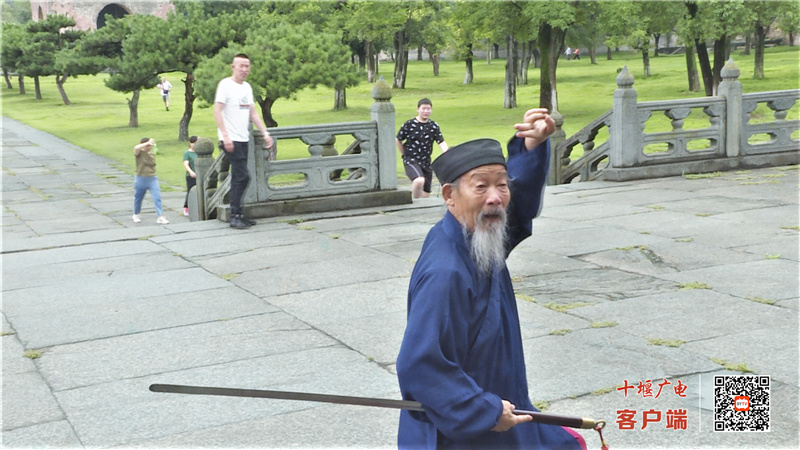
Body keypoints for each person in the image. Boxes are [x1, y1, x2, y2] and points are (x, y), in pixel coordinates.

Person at [395, 108, 586, 450]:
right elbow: (420, 364)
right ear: (449, 196)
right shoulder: (447, 272)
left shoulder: (476, 234)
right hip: (467, 428)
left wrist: (530, 148)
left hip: (503, 408)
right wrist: (481, 410)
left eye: (502, 184)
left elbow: (516, 208)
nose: (495, 197)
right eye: (481, 186)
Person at [214, 53, 273, 229]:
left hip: (243, 138)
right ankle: (234, 215)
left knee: (238, 177)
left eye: (247, 66)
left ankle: (238, 213)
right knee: (243, 176)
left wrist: (265, 133)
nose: (245, 69)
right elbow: (217, 111)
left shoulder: (247, 87)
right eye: (241, 66)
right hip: (230, 138)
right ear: (233, 67)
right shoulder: (225, 85)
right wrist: (225, 136)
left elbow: (252, 112)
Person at [396, 98, 449, 199]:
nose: (426, 111)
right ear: (418, 109)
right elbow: (398, 139)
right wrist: (404, 154)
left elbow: (440, 141)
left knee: (426, 195)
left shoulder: (433, 126)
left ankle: (420, 206)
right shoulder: (409, 124)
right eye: (423, 109)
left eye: (428, 109)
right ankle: (414, 204)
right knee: (419, 180)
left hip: (426, 161)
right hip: (411, 159)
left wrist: (448, 153)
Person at [132, 137, 169, 225]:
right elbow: (136, 148)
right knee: (138, 197)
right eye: (147, 146)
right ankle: (136, 214)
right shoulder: (139, 153)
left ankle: (160, 216)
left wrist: (150, 144)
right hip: (141, 178)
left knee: (157, 197)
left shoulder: (151, 154)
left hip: (152, 178)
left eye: (149, 146)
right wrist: (147, 143)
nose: (148, 147)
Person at [182, 135, 198, 216]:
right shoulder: (187, 153)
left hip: (199, 175)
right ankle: (186, 207)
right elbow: (186, 163)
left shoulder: (198, 152)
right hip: (191, 175)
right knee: (190, 191)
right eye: (194, 143)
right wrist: (190, 172)